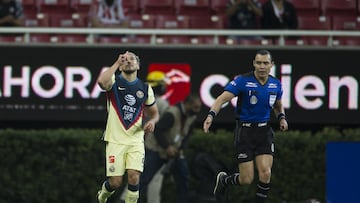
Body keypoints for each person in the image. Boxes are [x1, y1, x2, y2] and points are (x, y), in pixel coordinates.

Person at [203, 49, 288, 203]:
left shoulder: (276, 84)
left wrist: (282, 117)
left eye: (265, 63)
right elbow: (221, 99)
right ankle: (224, 181)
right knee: (246, 179)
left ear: (271, 65)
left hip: (264, 131)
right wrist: (211, 115)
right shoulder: (243, 81)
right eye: (259, 63)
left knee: (265, 173)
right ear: (254, 63)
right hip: (245, 132)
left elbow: (277, 104)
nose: (262, 66)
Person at [96, 51, 159, 203]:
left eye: (132, 59)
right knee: (115, 182)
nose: (128, 61)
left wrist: (152, 122)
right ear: (120, 66)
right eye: (125, 60)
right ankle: (103, 195)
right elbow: (101, 82)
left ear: (138, 65)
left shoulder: (145, 88)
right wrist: (117, 63)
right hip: (115, 140)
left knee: (134, 176)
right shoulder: (114, 81)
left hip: (135, 140)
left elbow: (154, 113)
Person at [139, 94, 202, 203]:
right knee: (144, 179)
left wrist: (181, 148)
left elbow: (186, 135)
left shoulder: (191, 117)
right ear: (187, 104)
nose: (197, 110)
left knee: (183, 178)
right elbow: (158, 130)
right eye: (195, 107)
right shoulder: (172, 113)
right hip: (156, 149)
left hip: (174, 152)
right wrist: (167, 146)